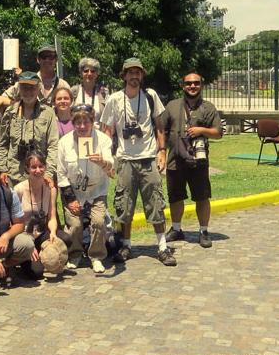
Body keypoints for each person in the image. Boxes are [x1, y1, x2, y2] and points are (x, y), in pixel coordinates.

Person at [99, 57, 175, 267]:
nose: (134, 76)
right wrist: (108, 158)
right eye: (130, 72)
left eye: (138, 72)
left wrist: (162, 151)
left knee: (156, 202)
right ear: (124, 76)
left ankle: (162, 246)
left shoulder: (150, 96)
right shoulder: (114, 99)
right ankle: (126, 245)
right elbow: (107, 130)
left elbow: (160, 126)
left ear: (142, 75)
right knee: (124, 205)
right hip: (125, 159)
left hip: (148, 158)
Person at [162, 72, 223, 248]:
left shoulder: (208, 108)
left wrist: (201, 130)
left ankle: (203, 231)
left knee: (202, 197)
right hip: (175, 160)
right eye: (188, 83)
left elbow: (218, 133)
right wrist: (161, 152)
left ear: (201, 85)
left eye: (196, 83)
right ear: (183, 86)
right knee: (175, 197)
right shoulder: (172, 106)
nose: (192, 86)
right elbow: (161, 130)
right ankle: (176, 229)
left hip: (198, 161)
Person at [56, 104, 114, 273]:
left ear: (92, 121)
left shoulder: (103, 140)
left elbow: (111, 167)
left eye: (86, 122)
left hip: (97, 190)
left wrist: (102, 162)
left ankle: (96, 256)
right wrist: (70, 199)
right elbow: (61, 173)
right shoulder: (64, 142)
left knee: (98, 221)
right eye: (78, 122)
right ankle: (75, 253)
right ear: (73, 123)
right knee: (75, 224)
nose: (82, 126)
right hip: (74, 191)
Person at [0, 71, 60, 189]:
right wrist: (3, 169)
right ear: (19, 89)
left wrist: (48, 173)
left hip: (39, 176)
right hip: (13, 176)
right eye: (24, 88)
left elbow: (53, 146)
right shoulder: (10, 112)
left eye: (32, 88)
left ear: (38, 89)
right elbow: (3, 145)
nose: (28, 91)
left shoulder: (48, 113)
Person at [13, 151, 60, 278]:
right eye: (33, 167)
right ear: (27, 169)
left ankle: (40, 252)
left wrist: (53, 233)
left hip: (40, 232)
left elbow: (52, 216)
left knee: (65, 239)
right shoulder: (18, 190)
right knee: (36, 273)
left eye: (41, 166)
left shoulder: (51, 189)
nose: (38, 170)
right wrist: (29, 246)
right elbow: (12, 223)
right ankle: (18, 259)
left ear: (45, 167)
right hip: (23, 235)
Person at [4, 45, 71, 106]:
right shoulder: (27, 82)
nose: (47, 60)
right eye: (43, 56)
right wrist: (17, 106)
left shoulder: (63, 85)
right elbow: (2, 98)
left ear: (56, 60)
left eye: (51, 57)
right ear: (38, 59)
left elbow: (71, 108)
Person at [70, 57, 107, 127]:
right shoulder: (74, 91)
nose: (89, 74)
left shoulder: (103, 93)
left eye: (93, 71)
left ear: (97, 74)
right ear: (81, 73)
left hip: (97, 132)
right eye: (86, 71)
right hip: (78, 131)